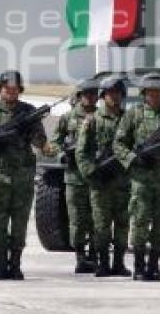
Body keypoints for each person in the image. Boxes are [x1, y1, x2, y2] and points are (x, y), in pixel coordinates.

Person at [0, 70, 47, 280]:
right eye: (7, 88)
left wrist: (32, 131)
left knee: (20, 223)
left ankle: (16, 263)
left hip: (23, 177)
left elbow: (40, 142)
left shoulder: (28, 112)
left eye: (15, 88)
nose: (11, 92)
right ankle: (0, 264)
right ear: (0, 90)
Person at [115, 72, 160, 282]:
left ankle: (154, 265)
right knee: (140, 222)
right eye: (150, 92)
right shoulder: (133, 115)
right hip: (142, 180)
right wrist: (133, 159)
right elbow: (118, 144)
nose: (154, 96)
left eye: (158, 92)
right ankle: (138, 266)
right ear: (144, 93)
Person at [76, 76, 130, 278]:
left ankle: (119, 263)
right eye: (110, 94)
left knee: (123, 225)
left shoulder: (128, 119)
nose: (114, 97)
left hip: (123, 181)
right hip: (101, 183)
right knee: (101, 225)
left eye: (117, 93)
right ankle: (103, 264)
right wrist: (92, 173)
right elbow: (81, 152)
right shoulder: (92, 120)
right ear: (103, 96)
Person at [52, 79, 98, 274]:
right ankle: (80, 256)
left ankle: (96, 255)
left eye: (94, 94)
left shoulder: (101, 116)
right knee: (77, 219)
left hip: (97, 174)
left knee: (98, 218)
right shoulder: (68, 118)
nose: (90, 98)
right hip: (74, 177)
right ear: (80, 96)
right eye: (87, 94)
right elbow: (55, 142)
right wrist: (62, 153)